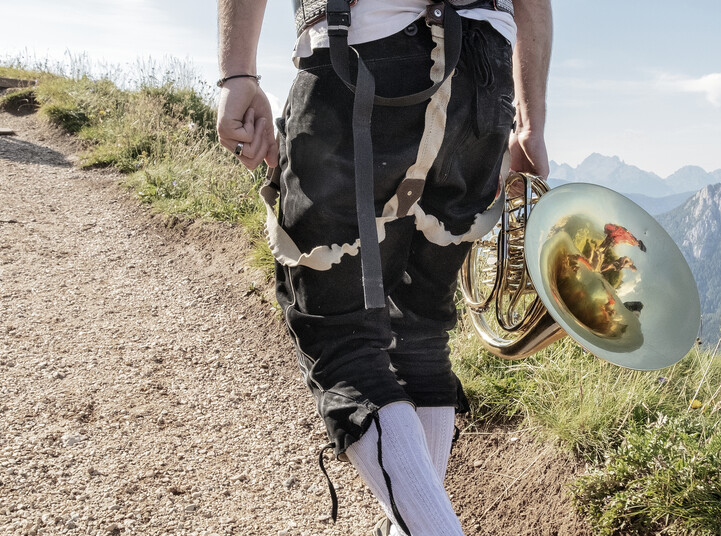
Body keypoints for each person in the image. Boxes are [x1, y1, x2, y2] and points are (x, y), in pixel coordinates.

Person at [215, 0, 551, 534]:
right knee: (420, 329)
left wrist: (237, 73)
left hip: (360, 49)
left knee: (341, 336)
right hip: (484, 78)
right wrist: (530, 124)